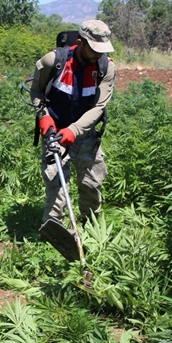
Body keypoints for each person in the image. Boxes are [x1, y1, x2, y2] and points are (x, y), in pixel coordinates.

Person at [29, 19, 116, 227]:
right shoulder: (53, 61)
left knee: (92, 184)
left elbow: (98, 107)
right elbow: (36, 91)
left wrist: (75, 130)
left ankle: (91, 228)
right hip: (55, 133)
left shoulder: (106, 68)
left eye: (102, 50)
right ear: (79, 42)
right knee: (56, 186)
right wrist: (44, 117)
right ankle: (54, 231)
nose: (98, 55)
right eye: (94, 49)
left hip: (86, 134)